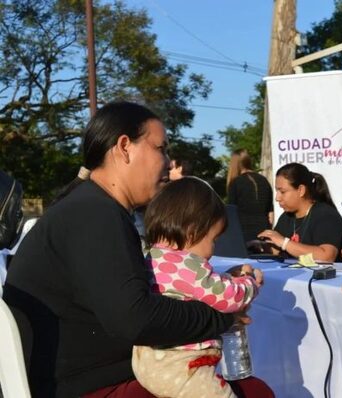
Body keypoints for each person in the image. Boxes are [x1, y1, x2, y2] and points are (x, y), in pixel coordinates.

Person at [2, 102, 237, 397]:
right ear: (125, 147)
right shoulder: (94, 213)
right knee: (254, 390)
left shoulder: (90, 206)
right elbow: (135, 319)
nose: (167, 161)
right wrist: (223, 317)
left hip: (85, 379)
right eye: (161, 148)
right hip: (83, 387)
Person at [132, 177, 263, 398]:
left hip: (148, 360)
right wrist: (250, 283)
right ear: (193, 231)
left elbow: (192, 288)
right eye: (214, 239)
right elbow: (229, 298)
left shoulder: (151, 256)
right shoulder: (190, 263)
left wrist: (226, 276)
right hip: (182, 366)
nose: (213, 249)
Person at [258, 162, 342, 263]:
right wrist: (261, 246)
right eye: (277, 192)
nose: (277, 198)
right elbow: (277, 250)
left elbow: (326, 257)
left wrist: (285, 242)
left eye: (282, 192)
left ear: (301, 190)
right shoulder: (286, 217)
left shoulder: (326, 215)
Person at [226, 149, 274, 243]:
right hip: (263, 232)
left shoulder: (235, 182)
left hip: (242, 233)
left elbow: (231, 212)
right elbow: (271, 214)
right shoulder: (264, 180)